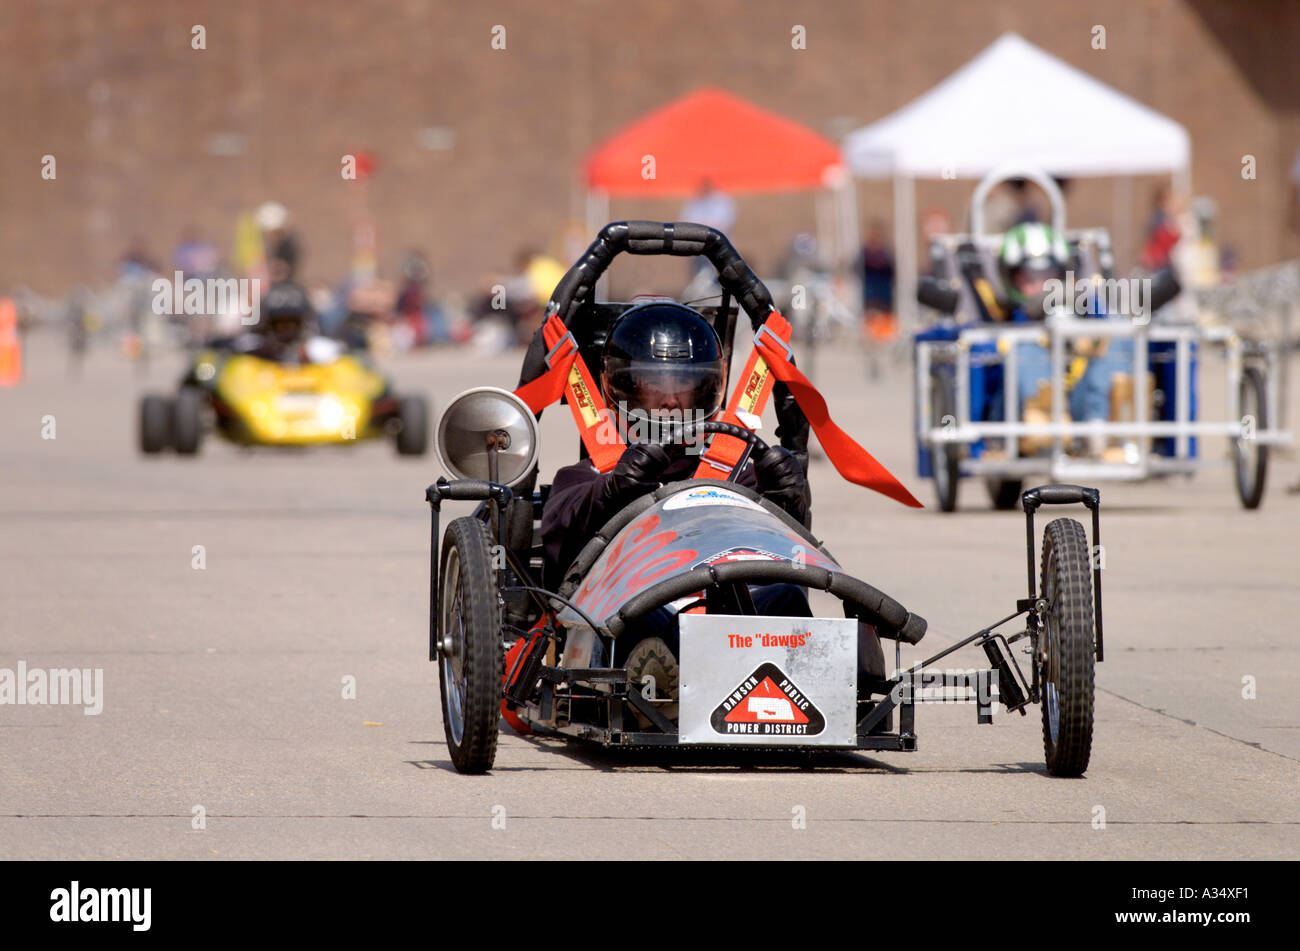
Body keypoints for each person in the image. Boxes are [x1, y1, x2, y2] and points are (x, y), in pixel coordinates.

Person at [539, 301, 814, 685]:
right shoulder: (588, 475)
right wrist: (612, 490)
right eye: (654, 385)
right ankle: (661, 685)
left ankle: (812, 677)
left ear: (706, 387)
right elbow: (557, 556)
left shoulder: (741, 474)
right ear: (621, 386)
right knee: (640, 612)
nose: (670, 402)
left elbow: (792, 555)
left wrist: (789, 499)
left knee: (787, 594)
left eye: (683, 385)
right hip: (636, 612)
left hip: (729, 616)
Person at [234, 281, 336, 363]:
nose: (286, 329)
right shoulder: (253, 347)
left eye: (292, 323)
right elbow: (241, 346)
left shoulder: (319, 349)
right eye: (279, 323)